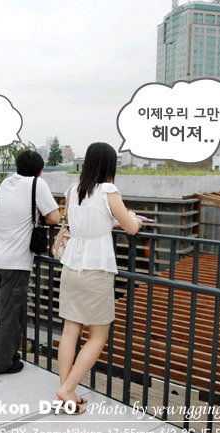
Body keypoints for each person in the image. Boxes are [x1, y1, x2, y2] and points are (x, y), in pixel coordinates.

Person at [54, 142, 142, 414]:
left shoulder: (73, 189)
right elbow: (131, 228)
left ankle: (67, 394)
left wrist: (110, 221)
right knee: (98, 335)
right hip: (96, 270)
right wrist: (135, 220)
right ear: (109, 165)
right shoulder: (108, 190)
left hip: (72, 268)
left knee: (71, 330)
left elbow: (82, 222)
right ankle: (68, 389)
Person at [0, 150, 60, 375]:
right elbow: (55, 217)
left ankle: (10, 355)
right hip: (15, 262)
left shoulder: (6, 183)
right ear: (39, 171)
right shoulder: (37, 184)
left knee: (12, 311)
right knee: (9, 315)